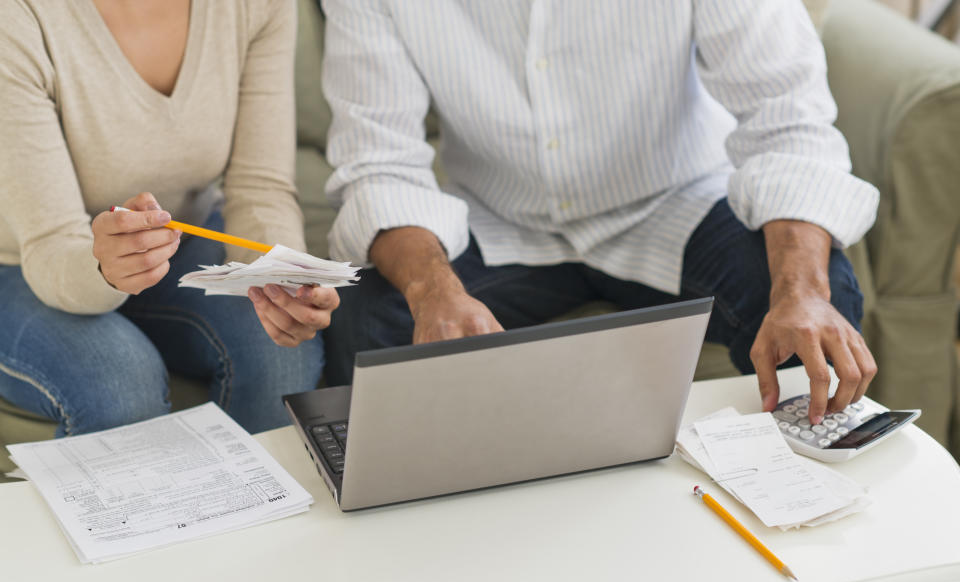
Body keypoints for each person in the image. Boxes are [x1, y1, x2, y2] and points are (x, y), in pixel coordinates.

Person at [320, 0, 880, 426]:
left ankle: (800, 512)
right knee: (371, 314)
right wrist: (432, 294)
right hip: (502, 218)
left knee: (817, 295)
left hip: (678, 202)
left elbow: (786, 120)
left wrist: (800, 290)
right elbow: (379, 160)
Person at [0, 0, 339, 436]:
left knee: (281, 350)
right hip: (25, 264)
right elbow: (51, 241)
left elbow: (260, 187)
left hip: (176, 243)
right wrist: (105, 267)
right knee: (121, 383)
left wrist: (284, 282)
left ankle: (254, 504)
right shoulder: (19, 17)